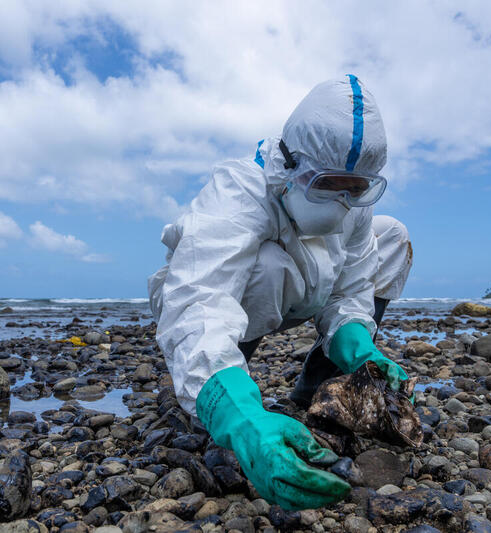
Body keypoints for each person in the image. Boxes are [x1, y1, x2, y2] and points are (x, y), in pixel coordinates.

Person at [147, 76, 413, 510]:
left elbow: (352, 287)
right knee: (266, 264)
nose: (344, 201)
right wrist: (242, 419)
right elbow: (200, 301)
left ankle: (325, 384)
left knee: (394, 236)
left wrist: (364, 352)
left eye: (357, 188)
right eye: (329, 184)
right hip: (240, 296)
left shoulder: (354, 207)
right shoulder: (241, 192)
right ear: (292, 166)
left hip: (308, 287)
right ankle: (228, 385)